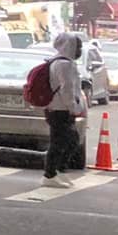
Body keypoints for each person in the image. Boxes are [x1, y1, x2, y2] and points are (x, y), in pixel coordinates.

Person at [41, 31, 88, 186]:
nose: (79, 51)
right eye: (77, 47)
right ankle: (50, 174)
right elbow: (67, 89)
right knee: (61, 142)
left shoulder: (60, 62)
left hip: (59, 109)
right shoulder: (64, 64)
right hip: (60, 110)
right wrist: (73, 107)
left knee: (69, 140)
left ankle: (58, 170)